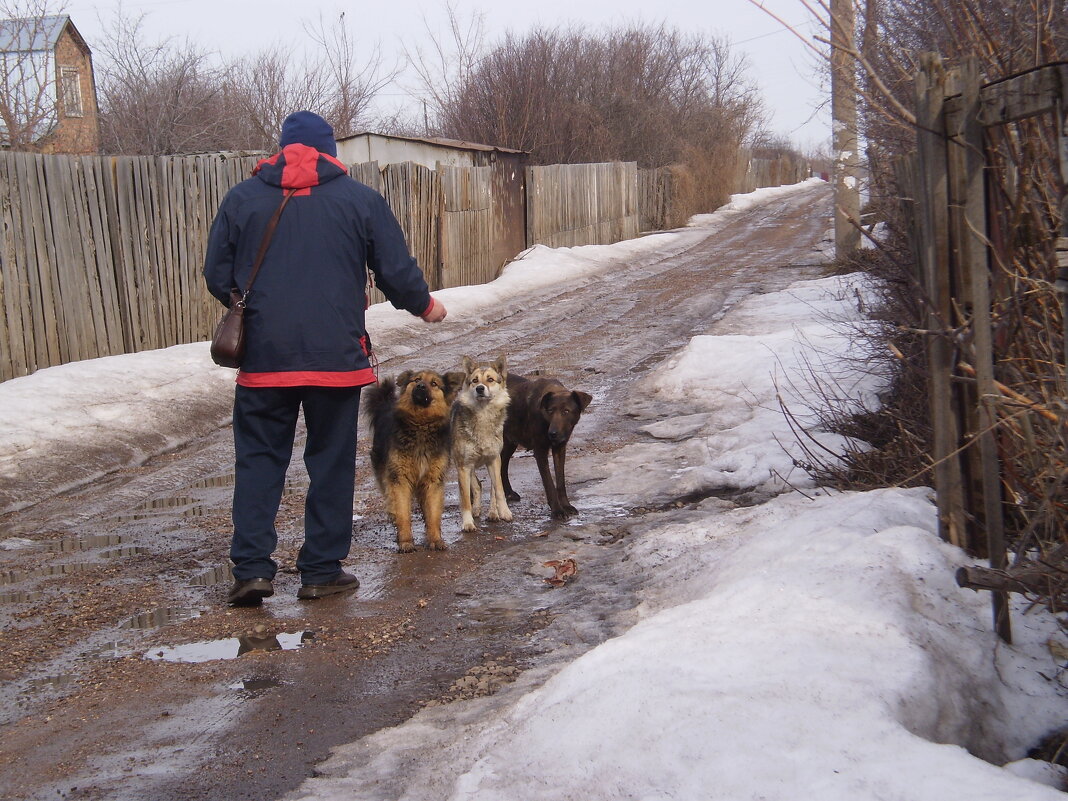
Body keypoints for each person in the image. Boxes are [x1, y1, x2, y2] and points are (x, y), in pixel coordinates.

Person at [203, 111, 447, 606]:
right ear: (328, 153)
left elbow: (216, 274)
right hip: (335, 360)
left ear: (280, 151)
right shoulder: (359, 200)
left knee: (258, 462)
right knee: (330, 462)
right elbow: (395, 269)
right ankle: (319, 570)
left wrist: (257, 311)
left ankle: (252, 570)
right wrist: (425, 305)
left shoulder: (241, 199)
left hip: (264, 362)